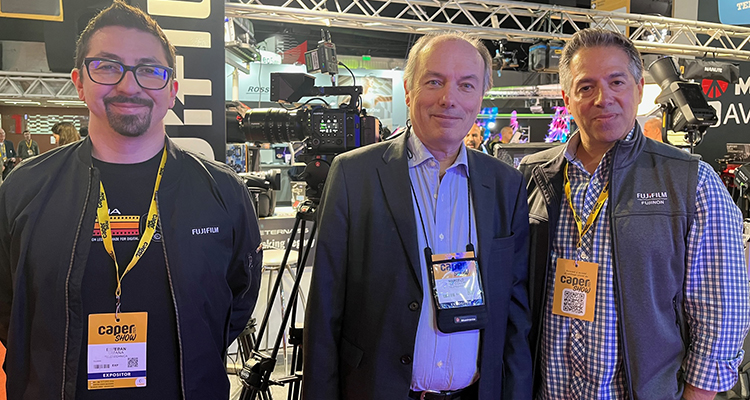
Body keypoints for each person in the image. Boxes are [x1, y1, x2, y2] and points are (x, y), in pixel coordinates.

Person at [0, 2, 263, 399]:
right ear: (79, 82)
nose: (129, 85)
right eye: (108, 66)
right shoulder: (25, 188)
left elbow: (237, 301)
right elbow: (10, 308)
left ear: (172, 90)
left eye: (149, 70)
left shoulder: (222, 191)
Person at [519, 28, 750, 400]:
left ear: (639, 89)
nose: (603, 98)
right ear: (567, 98)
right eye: (586, 87)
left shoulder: (691, 181)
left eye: (616, 82)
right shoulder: (534, 175)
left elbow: (723, 311)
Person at [303, 32, 532, 400]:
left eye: (466, 85)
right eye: (434, 81)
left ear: (480, 96)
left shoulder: (507, 184)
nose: (449, 98)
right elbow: (325, 309)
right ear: (409, 90)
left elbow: (516, 315)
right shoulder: (353, 175)